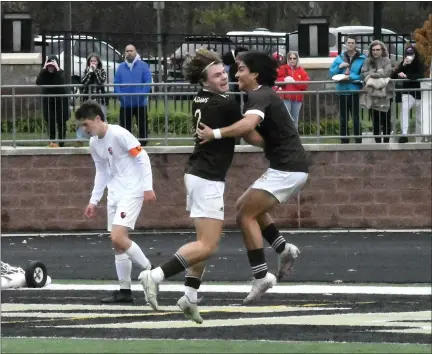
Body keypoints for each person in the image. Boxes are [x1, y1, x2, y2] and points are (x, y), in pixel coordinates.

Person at [138, 48, 264, 323]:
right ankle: (154, 275)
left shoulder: (203, 97)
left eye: (224, 73)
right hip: (205, 177)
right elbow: (248, 132)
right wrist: (274, 143)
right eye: (217, 75)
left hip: (200, 174)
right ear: (205, 80)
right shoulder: (223, 103)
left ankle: (189, 297)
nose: (224, 78)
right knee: (207, 245)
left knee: (202, 244)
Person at [196, 51, 308, 304]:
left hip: (289, 168)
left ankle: (261, 276)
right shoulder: (259, 96)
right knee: (244, 207)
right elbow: (254, 136)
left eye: (241, 69)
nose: (236, 75)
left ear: (255, 73)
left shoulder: (260, 94)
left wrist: (215, 133)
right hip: (287, 166)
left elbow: (248, 127)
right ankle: (283, 248)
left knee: (244, 215)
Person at [74, 100, 157, 304]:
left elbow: (142, 156)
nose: (84, 129)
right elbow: (101, 171)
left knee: (118, 236)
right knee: (117, 243)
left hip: (132, 191)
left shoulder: (119, 134)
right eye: (81, 126)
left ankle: (152, 274)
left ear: (97, 119)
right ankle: (125, 291)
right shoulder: (94, 143)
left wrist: (147, 186)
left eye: (86, 124)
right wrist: (94, 200)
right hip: (114, 194)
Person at [329, 36, 366, 144]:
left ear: (355, 44)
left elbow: (363, 75)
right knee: (343, 118)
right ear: (345, 44)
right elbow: (331, 73)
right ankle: (344, 141)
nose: (350, 44)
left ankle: (358, 141)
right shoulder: (339, 58)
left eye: (352, 43)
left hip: (354, 91)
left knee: (355, 118)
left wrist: (351, 77)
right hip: (342, 91)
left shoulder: (362, 58)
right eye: (348, 42)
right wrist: (339, 67)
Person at [114, 44, 153, 145]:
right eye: (127, 51)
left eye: (131, 51)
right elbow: (116, 84)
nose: (129, 53)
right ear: (124, 53)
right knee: (124, 128)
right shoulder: (120, 67)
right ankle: (126, 145)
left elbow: (148, 82)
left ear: (135, 52)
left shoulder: (143, 66)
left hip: (140, 103)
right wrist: (121, 96)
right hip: (125, 103)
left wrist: (141, 95)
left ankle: (143, 145)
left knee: (142, 126)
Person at [360, 40, 394, 143]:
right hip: (372, 94)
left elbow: (387, 73)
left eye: (378, 49)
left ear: (382, 50)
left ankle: (387, 142)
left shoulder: (386, 60)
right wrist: (377, 72)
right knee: (375, 120)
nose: (375, 52)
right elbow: (363, 73)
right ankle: (378, 143)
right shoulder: (367, 60)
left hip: (386, 94)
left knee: (386, 120)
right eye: (373, 50)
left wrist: (372, 74)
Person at [391, 45, 425, 143]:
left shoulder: (419, 62)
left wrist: (407, 76)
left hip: (419, 92)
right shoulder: (404, 63)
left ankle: (420, 136)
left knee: (420, 116)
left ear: (415, 54)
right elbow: (393, 75)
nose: (409, 56)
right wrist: (403, 66)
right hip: (407, 92)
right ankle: (404, 134)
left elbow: (420, 75)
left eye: (411, 54)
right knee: (404, 111)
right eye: (408, 54)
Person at [36, 55, 69, 147]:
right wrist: (43, 68)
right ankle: (52, 142)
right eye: (49, 65)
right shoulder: (44, 74)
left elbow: (60, 83)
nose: (51, 67)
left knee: (61, 122)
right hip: (48, 102)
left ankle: (61, 143)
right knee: (50, 122)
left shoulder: (60, 73)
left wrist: (57, 69)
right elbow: (38, 82)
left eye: (52, 65)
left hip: (60, 102)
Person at [274, 51, 310, 129]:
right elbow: (276, 80)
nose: (292, 60)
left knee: (295, 119)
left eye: (294, 58)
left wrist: (294, 81)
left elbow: (305, 84)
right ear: (287, 59)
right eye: (290, 58)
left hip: (297, 98)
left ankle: (294, 138)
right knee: (286, 119)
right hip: (285, 97)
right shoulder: (283, 68)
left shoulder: (301, 70)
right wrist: (284, 79)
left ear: (297, 59)